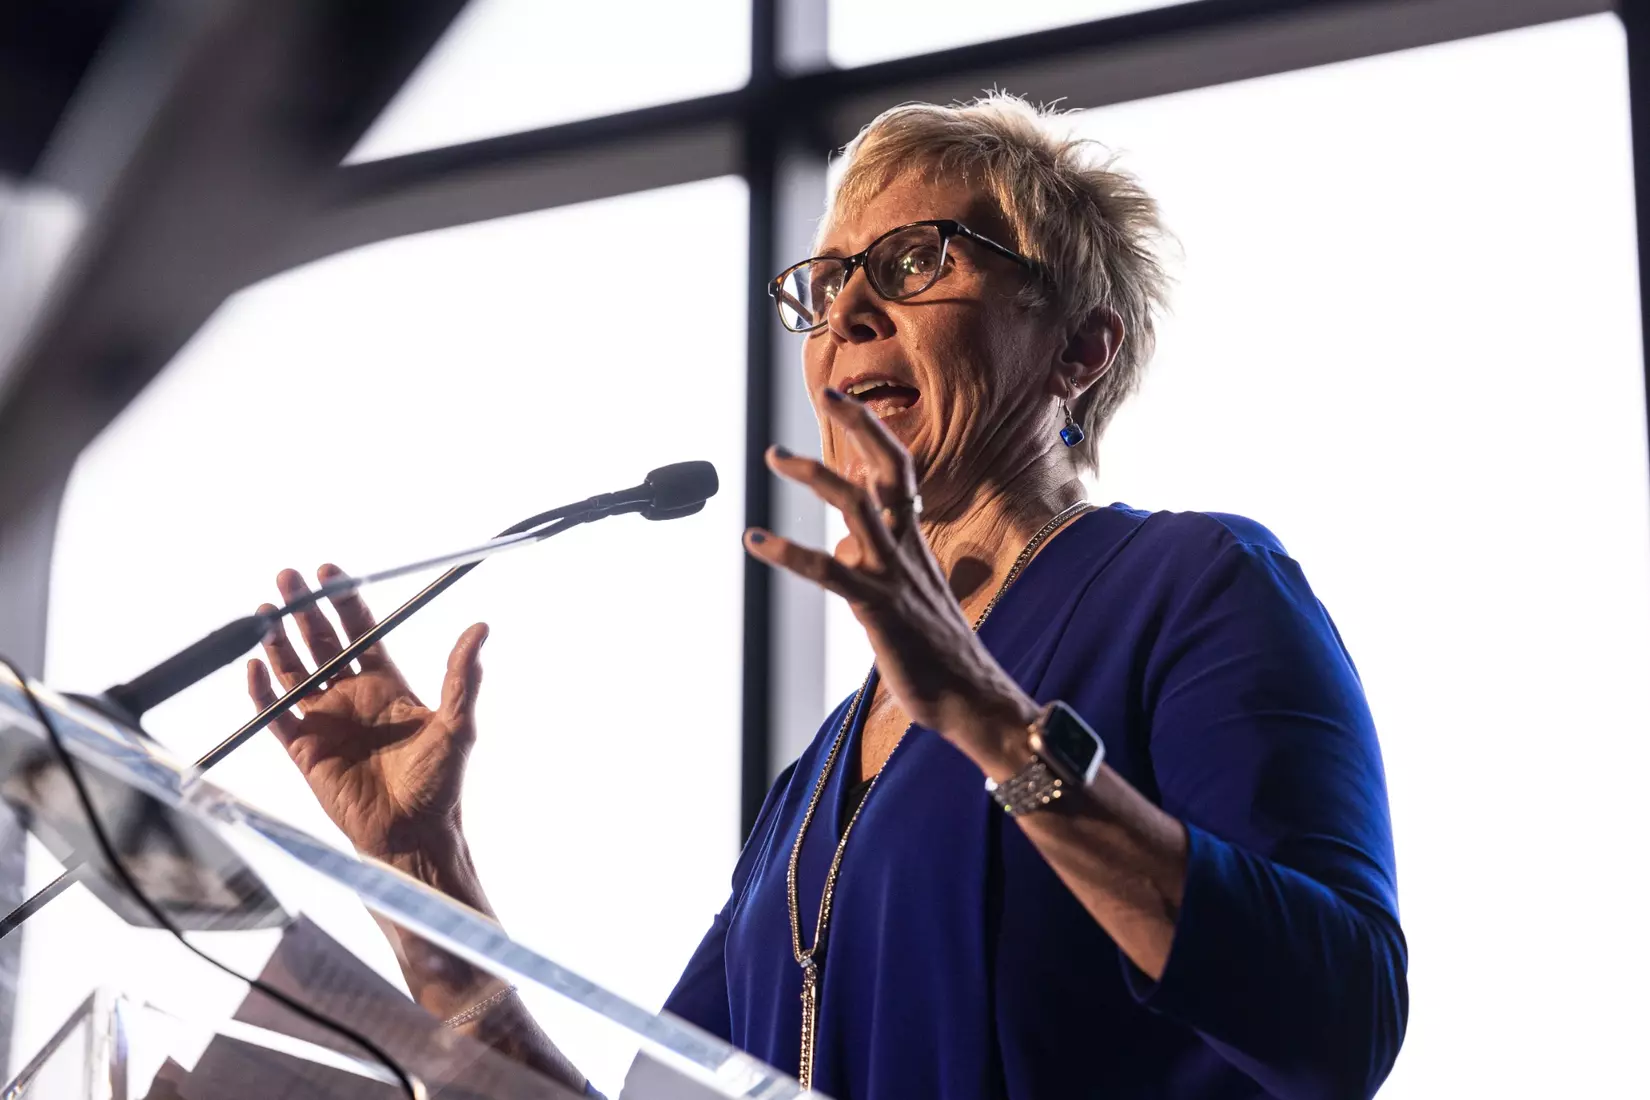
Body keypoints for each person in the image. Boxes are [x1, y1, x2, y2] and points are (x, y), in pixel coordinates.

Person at [248, 94, 1407, 1099]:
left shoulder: (1196, 586)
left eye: (914, 261)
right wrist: (419, 874)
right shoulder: (814, 784)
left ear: (1080, 349)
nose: (847, 310)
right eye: (830, 280)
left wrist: (989, 721)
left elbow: (1339, 1016)